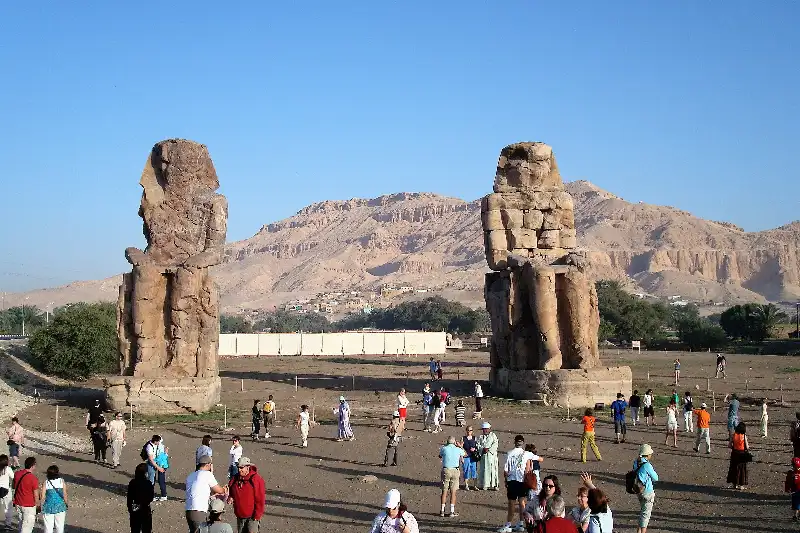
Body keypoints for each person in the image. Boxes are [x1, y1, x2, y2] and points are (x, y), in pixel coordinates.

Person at [499, 435, 534, 533]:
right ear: (522, 443)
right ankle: (521, 523)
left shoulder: (509, 453)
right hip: (522, 481)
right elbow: (531, 465)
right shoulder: (526, 454)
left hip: (513, 481)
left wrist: (505, 480)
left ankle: (508, 524)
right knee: (522, 502)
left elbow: (506, 470)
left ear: (514, 442)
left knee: (511, 503)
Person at [185, 455, 228, 533]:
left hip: (188, 511)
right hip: (199, 511)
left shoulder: (191, 475)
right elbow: (219, 490)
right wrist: (224, 489)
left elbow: (200, 490)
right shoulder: (207, 475)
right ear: (208, 464)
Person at [226, 457, 265, 533]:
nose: (239, 470)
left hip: (252, 517)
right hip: (240, 516)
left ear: (248, 467)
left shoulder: (256, 479)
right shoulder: (235, 478)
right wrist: (230, 497)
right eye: (238, 467)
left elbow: (260, 499)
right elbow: (231, 488)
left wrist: (257, 516)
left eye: (241, 468)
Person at [633, 444, 659, 533]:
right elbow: (656, 478)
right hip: (647, 491)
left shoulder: (636, 462)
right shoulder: (647, 465)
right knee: (645, 516)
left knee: (642, 513)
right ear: (647, 455)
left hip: (638, 490)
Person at [439, 435, 465, 517]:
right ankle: (452, 511)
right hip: (455, 470)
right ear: (454, 442)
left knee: (444, 490)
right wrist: (460, 446)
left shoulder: (444, 448)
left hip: (446, 470)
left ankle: (442, 510)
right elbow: (465, 454)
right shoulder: (458, 449)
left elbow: (440, 455)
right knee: (453, 491)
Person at [12, 457, 39, 533]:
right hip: (28, 505)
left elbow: (13, 486)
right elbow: (36, 495)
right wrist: (38, 505)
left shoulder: (17, 474)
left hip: (18, 503)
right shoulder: (33, 478)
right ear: (33, 466)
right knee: (27, 527)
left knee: (21, 524)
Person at [40, 464, 68, 533]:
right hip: (60, 506)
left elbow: (42, 497)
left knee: (48, 527)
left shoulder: (46, 482)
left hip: (48, 507)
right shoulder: (61, 481)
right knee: (60, 527)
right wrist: (66, 503)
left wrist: (41, 505)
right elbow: (65, 494)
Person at [127, 462, 155, 533]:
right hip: (145, 509)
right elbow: (151, 498)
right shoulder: (148, 483)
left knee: (135, 529)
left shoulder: (132, 482)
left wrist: (130, 509)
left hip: (135, 508)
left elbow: (129, 497)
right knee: (146, 529)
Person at [476, 421, 499, 490]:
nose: (485, 430)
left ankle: (495, 485)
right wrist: (482, 449)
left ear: (489, 429)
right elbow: (478, 445)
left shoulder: (493, 435)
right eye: (484, 429)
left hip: (492, 456)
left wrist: (489, 450)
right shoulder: (480, 437)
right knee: (484, 470)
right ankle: (485, 485)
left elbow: (495, 444)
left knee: (493, 471)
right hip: (484, 456)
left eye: (486, 429)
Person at [727, 422, 750, 490]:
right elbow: (747, 446)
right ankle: (741, 485)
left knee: (734, 468)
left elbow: (729, 445)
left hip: (734, 453)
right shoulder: (744, 436)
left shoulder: (733, 435)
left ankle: (734, 484)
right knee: (742, 469)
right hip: (742, 453)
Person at [461, 426, 478, 490]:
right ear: (466, 431)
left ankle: (475, 485)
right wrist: (461, 457)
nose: (469, 431)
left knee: (474, 471)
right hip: (466, 457)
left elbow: (477, 446)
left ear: (472, 431)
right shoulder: (463, 438)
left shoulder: (474, 438)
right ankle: (466, 485)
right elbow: (461, 448)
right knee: (466, 470)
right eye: (468, 430)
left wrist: (474, 449)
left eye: (470, 430)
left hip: (473, 457)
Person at [784, 457, 800, 522]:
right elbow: (787, 482)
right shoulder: (791, 473)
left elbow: (787, 482)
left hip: (795, 490)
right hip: (795, 490)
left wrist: (787, 488)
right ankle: (796, 515)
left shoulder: (791, 473)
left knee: (796, 503)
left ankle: (796, 515)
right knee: (797, 503)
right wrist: (787, 488)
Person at [0, 454, 13, 530]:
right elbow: (13, 477)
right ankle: (8, 525)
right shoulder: (7, 469)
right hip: (6, 490)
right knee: (8, 507)